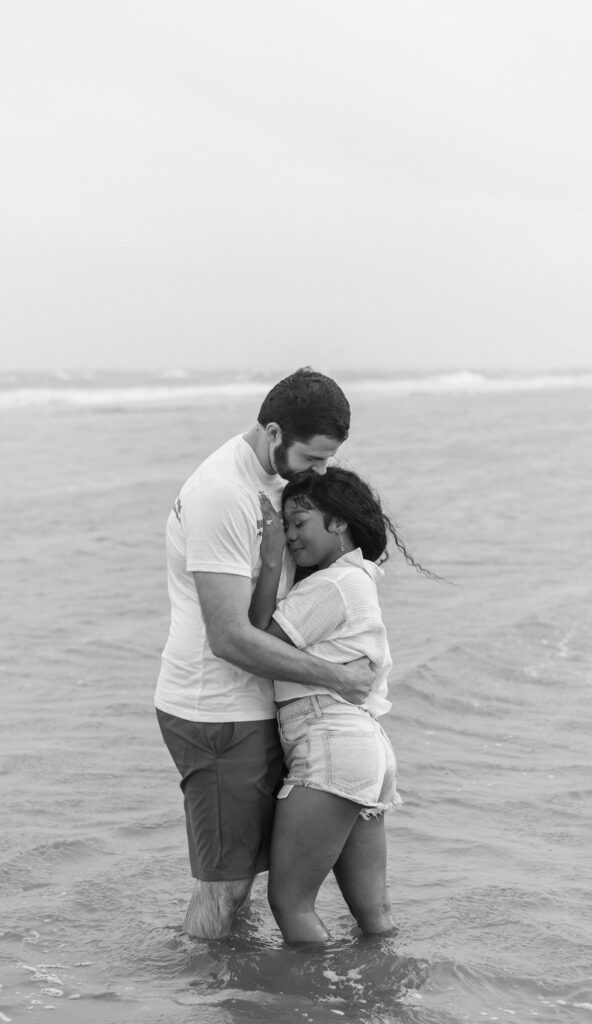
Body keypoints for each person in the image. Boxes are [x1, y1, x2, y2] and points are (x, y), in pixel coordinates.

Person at [154, 368, 377, 940]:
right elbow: (228, 638)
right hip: (219, 708)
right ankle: (197, 992)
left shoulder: (275, 484)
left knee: (244, 878)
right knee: (224, 885)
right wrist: (341, 678)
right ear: (274, 432)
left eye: (329, 460)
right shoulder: (224, 495)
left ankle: (241, 991)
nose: (321, 472)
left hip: (259, 705)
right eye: (312, 458)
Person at [250, 466, 433, 943]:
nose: (289, 536)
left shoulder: (331, 585)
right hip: (361, 744)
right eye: (285, 526)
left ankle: (308, 1010)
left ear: (338, 523)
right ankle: (381, 1004)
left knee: (289, 902)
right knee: (375, 915)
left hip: (330, 742)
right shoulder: (357, 580)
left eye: (299, 522)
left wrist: (270, 561)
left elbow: (258, 645)